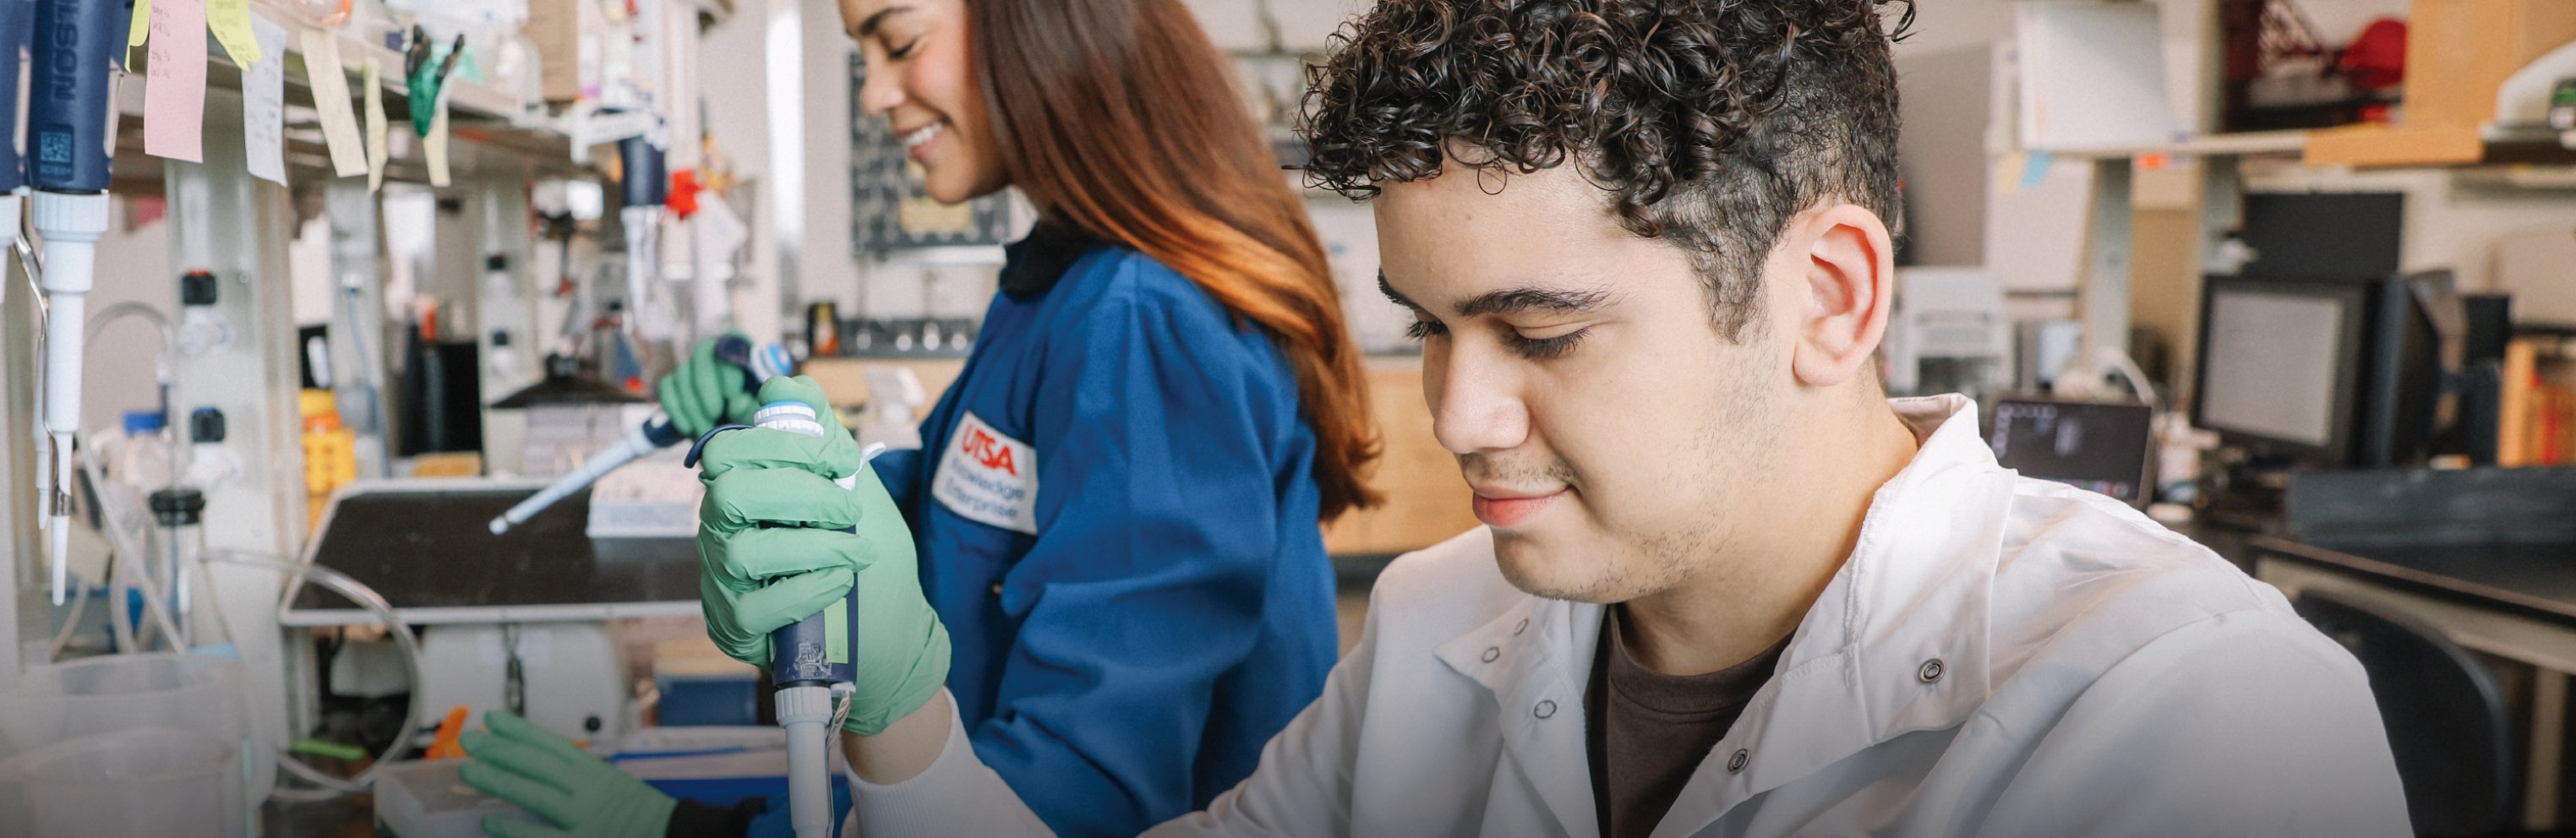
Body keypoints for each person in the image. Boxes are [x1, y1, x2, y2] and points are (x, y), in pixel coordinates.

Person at [677, 0, 2415, 835]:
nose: (1460, 410)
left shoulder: (2192, 719)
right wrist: (898, 731)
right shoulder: (1447, 623)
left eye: (1539, 330)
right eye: (1428, 328)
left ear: (1825, 298)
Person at [457, 0, 1383, 835]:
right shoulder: (1063, 285)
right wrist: (791, 441)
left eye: (898, 42)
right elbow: (970, 515)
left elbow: (1082, 786)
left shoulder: (1143, 314)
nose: (875, 94)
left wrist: (711, 834)